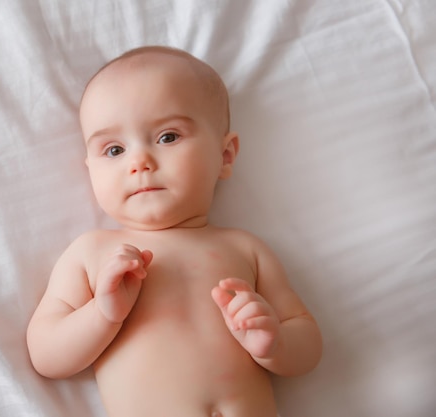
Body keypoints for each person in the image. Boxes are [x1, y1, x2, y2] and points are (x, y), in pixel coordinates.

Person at [26, 46, 322, 417]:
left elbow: (308, 344)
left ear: (225, 156)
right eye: (114, 150)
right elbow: (46, 356)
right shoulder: (93, 253)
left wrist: (275, 343)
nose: (140, 163)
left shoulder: (245, 248)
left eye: (167, 137)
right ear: (90, 169)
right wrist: (103, 315)